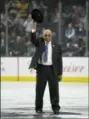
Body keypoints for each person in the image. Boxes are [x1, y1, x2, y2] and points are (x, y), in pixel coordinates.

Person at [29, 21, 63, 114]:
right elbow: (33, 40)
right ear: (43, 36)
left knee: (54, 90)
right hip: (41, 69)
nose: (47, 37)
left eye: (48, 35)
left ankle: (55, 107)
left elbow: (59, 61)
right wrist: (33, 30)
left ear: (51, 36)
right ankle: (38, 108)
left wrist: (60, 73)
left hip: (53, 70)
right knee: (39, 90)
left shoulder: (57, 46)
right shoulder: (39, 42)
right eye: (45, 35)